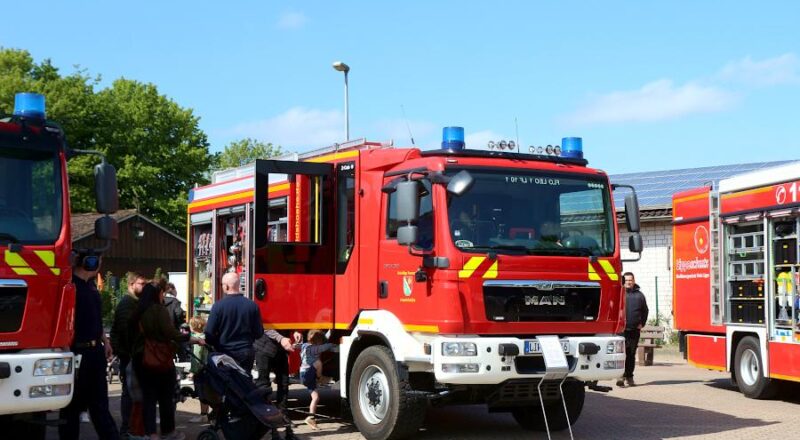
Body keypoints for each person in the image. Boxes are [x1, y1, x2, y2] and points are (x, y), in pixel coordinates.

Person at [130, 280, 204, 440]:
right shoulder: (158, 310)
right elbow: (170, 332)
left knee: (148, 399)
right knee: (165, 397)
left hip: (142, 358)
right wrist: (189, 338)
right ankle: (168, 431)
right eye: (162, 292)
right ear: (158, 294)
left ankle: (151, 433)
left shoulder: (138, 311)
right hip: (161, 358)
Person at [59, 251, 119, 440]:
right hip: (77, 352)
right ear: (89, 262)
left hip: (95, 351)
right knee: (72, 407)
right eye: (98, 262)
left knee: (99, 403)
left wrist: (105, 341)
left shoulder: (91, 286)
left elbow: (96, 318)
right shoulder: (70, 286)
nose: (100, 266)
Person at [110, 271, 146, 438]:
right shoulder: (127, 303)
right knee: (130, 393)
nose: (144, 287)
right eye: (141, 284)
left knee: (134, 393)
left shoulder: (134, 302)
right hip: (130, 356)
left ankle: (132, 427)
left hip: (132, 354)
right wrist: (130, 353)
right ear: (132, 284)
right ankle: (127, 429)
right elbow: (125, 332)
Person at [205, 272, 263, 372]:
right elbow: (259, 333)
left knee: (227, 382)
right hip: (246, 351)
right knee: (245, 382)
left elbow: (209, 334)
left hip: (224, 352)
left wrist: (216, 343)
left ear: (226, 286)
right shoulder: (252, 305)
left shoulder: (218, 306)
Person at [254, 329, 298, 440]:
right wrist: (281, 338)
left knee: (284, 385)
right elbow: (264, 323)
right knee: (264, 388)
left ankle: (288, 430)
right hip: (264, 348)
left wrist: (296, 330)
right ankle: (271, 430)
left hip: (280, 350)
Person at [617, 272, 649, 388]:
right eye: (626, 280)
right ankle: (620, 376)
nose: (629, 282)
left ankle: (629, 377)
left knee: (631, 354)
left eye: (631, 280)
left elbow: (645, 311)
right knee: (621, 354)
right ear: (623, 281)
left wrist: (642, 323)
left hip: (634, 330)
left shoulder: (640, 295)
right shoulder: (619, 294)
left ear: (634, 281)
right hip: (620, 330)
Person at [299, 330, 335, 429]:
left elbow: (296, 346)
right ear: (318, 341)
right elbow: (325, 347)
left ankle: (311, 419)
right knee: (318, 363)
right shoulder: (314, 349)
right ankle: (320, 378)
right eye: (321, 341)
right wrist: (334, 345)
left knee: (315, 398)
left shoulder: (304, 345)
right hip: (309, 374)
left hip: (303, 374)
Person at [188, 315, 210, 423]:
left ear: (193, 327)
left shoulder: (197, 341)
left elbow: (197, 356)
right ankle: (205, 414)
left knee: (201, 394)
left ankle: (203, 415)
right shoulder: (204, 337)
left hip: (200, 371)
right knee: (206, 392)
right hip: (206, 369)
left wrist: (193, 371)